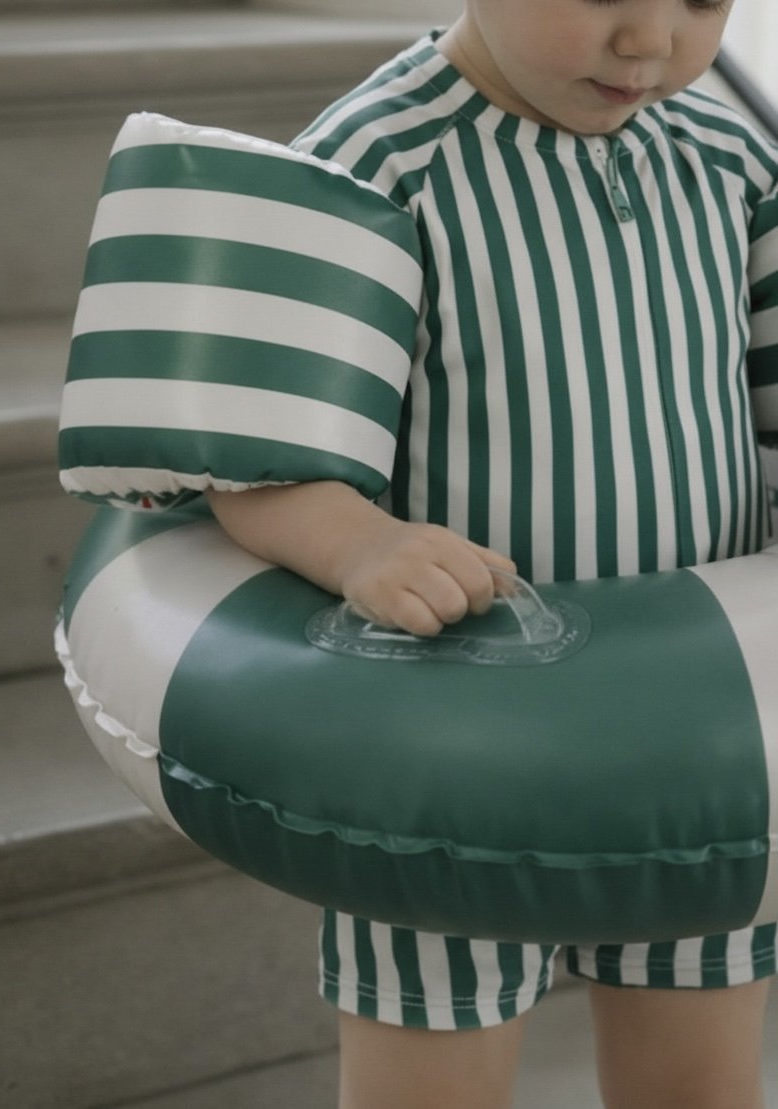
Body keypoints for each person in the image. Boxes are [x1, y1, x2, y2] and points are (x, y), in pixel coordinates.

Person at [206, 1, 778, 1105]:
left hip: (692, 744)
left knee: (701, 1082)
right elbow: (259, 458)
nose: (650, 39)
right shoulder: (372, 163)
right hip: (452, 749)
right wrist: (361, 544)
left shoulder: (733, 162)